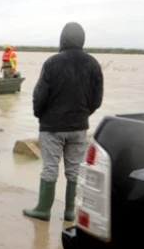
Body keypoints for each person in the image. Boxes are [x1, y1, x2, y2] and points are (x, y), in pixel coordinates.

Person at [23, 22, 103, 222]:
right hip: (79, 127)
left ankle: (43, 210)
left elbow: (39, 95)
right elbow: (97, 100)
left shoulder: (52, 63)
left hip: (52, 127)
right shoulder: (93, 64)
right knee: (74, 169)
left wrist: (40, 114)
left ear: (62, 39)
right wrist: (83, 114)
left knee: (50, 167)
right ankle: (69, 212)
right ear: (82, 40)